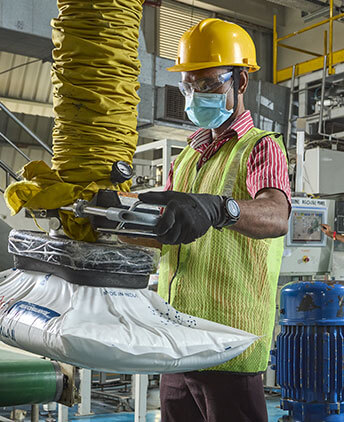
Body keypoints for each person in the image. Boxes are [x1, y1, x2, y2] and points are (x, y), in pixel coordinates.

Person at [136, 18, 291, 422]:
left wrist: (221, 209)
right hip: (176, 342)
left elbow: (276, 215)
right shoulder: (187, 156)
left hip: (228, 344)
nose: (194, 96)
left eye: (207, 85)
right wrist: (113, 224)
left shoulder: (261, 148)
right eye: (189, 86)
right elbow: (165, 233)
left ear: (240, 83)